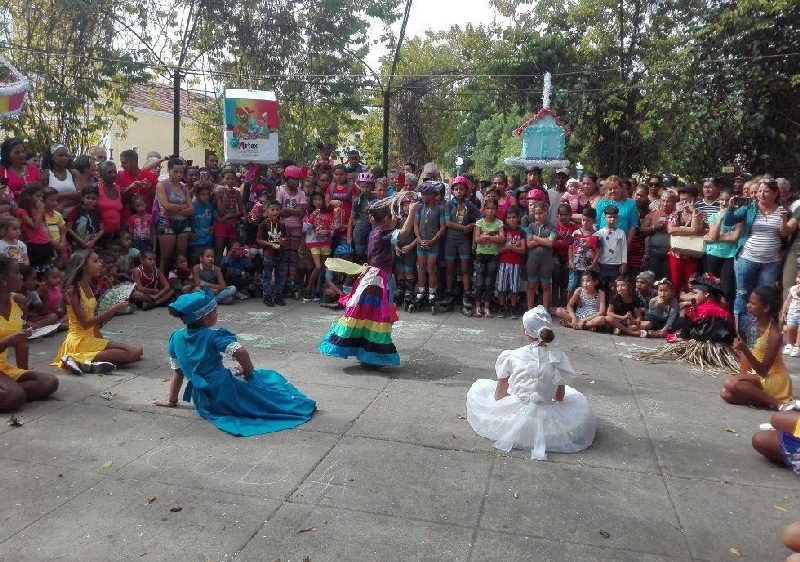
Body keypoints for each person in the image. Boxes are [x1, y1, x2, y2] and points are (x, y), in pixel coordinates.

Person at [155, 289, 316, 436]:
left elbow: (178, 372)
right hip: (224, 393)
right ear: (206, 316)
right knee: (267, 384)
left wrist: (172, 401)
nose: (217, 314)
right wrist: (248, 371)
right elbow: (240, 352)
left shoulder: (175, 337)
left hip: (203, 401)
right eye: (215, 311)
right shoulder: (213, 336)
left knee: (249, 379)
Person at [465, 306, 596, 460]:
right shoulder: (558, 358)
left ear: (526, 332)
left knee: (479, 392)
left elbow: (499, 395)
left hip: (514, 412)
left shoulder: (511, 356)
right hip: (547, 417)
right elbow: (559, 397)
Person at [319, 199, 417, 366]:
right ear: (386, 219)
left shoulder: (375, 232)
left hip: (373, 277)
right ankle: (373, 355)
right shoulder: (383, 234)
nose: (395, 219)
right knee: (378, 316)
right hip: (378, 280)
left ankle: (366, 352)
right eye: (393, 216)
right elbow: (405, 232)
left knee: (367, 314)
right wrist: (413, 211)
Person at [51, 250, 143, 374]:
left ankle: (85, 361)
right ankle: (75, 358)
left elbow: (92, 320)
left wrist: (100, 339)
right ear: (83, 266)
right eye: (95, 261)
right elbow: (85, 323)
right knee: (131, 354)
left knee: (138, 351)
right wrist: (114, 309)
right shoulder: (73, 290)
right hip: (78, 341)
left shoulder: (88, 286)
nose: (100, 264)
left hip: (89, 338)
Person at [724, 178, 794, 325]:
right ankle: (740, 333)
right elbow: (728, 222)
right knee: (742, 294)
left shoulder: (784, 210)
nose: (761, 194)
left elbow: (784, 233)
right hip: (747, 258)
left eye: (766, 191)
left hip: (771, 262)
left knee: (764, 298)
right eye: (760, 191)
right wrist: (730, 208)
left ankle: (758, 333)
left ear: (775, 194)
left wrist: (783, 219)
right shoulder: (750, 208)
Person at [721, 286, 796, 410]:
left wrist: (744, 349)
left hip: (773, 378)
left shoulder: (774, 335)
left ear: (766, 308)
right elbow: (749, 356)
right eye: (748, 302)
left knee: (731, 383)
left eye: (752, 303)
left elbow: (763, 371)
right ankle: (763, 400)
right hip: (757, 375)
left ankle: (778, 403)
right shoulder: (752, 325)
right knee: (726, 394)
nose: (748, 306)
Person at [0, 258, 59, 412]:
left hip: (3, 368)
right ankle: (11, 393)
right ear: (3, 279)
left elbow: (21, 343)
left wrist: (24, 373)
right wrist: (10, 340)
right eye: (17, 273)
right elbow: (14, 339)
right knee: (14, 397)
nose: (21, 277)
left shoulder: (19, 301)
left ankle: (10, 391)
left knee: (49, 382)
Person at [444, 177, 479, 306]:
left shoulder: (470, 205)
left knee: (465, 269)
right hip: (450, 241)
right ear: (453, 191)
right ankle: (449, 293)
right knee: (450, 269)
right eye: (456, 189)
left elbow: (480, 218)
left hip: (464, 241)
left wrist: (472, 225)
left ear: (466, 191)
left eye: (462, 189)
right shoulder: (448, 205)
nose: (459, 191)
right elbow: (447, 223)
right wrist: (464, 227)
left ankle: (466, 294)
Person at [154, 158, 193, 272]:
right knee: (165, 257)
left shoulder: (184, 187)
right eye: (175, 171)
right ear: (169, 170)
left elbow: (191, 209)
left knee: (181, 255)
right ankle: (161, 281)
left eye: (181, 172)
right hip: (166, 223)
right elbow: (166, 205)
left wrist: (175, 208)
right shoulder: (162, 185)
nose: (179, 174)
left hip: (183, 223)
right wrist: (183, 207)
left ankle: (180, 280)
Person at [703, 190, 741, 303]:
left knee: (727, 289)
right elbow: (714, 235)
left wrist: (715, 236)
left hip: (729, 255)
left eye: (727, 200)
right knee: (710, 285)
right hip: (713, 254)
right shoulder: (713, 216)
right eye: (722, 200)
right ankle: (710, 312)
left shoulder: (738, 216)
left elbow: (734, 238)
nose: (724, 203)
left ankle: (723, 315)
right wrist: (720, 218)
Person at [413, 181, 446, 308]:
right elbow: (416, 224)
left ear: (432, 195)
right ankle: (421, 290)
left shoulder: (440, 209)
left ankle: (432, 292)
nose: (422, 196)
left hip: (433, 244)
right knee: (421, 266)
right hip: (421, 243)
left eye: (425, 194)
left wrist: (433, 240)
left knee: (431, 267)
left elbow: (442, 228)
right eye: (421, 194)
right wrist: (419, 239)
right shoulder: (420, 208)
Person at [276, 165, 308, 296]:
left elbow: (301, 212)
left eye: (298, 180)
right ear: (287, 179)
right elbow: (279, 211)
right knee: (283, 255)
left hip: (296, 228)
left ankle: (291, 283)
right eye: (294, 179)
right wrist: (293, 211)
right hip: (283, 227)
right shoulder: (280, 191)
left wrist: (287, 211)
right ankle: (282, 283)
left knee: (293, 256)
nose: (296, 182)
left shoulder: (302, 193)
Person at [473, 199, 504, 318]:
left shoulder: (499, 223)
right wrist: (494, 236)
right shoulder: (479, 223)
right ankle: (477, 307)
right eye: (488, 208)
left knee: (489, 282)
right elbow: (477, 239)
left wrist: (486, 235)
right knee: (479, 281)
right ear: (484, 210)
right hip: (481, 255)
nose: (490, 211)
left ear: (496, 210)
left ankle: (486, 307)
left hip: (493, 255)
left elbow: (502, 239)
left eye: (493, 209)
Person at [524, 202, 556, 311]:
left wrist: (536, 238)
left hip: (546, 262)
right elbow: (528, 244)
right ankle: (529, 310)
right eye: (536, 213)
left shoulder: (552, 227)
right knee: (531, 285)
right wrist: (544, 240)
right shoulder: (530, 226)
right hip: (532, 261)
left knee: (546, 286)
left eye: (541, 213)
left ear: (546, 213)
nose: (538, 215)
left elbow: (551, 243)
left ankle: (545, 311)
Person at [302, 192, 333, 302]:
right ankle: (308, 289)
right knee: (318, 266)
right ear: (311, 201)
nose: (317, 202)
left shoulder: (328, 213)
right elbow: (305, 229)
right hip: (313, 242)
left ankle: (318, 292)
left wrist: (327, 232)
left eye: (320, 199)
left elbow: (333, 228)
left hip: (325, 242)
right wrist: (311, 217)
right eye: (315, 199)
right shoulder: (308, 213)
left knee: (324, 268)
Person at [496, 209, 526, 319]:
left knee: (514, 287)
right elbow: (498, 249)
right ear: (505, 219)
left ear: (518, 218)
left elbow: (523, 250)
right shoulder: (503, 230)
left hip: (516, 263)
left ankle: (513, 307)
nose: (511, 220)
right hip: (503, 262)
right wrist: (510, 247)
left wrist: (510, 247)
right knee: (501, 286)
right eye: (509, 218)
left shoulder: (521, 232)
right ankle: (502, 306)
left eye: (513, 217)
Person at [258, 201, 287, 307]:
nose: (275, 212)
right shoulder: (263, 224)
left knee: (280, 276)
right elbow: (259, 240)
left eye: (277, 210)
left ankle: (278, 296)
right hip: (269, 254)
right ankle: (267, 296)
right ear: (267, 211)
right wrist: (270, 244)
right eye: (272, 210)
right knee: (267, 276)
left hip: (280, 253)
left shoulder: (282, 225)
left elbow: (285, 237)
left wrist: (283, 241)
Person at [16, 184, 52, 270]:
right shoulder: (22, 211)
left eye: (42, 197)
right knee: (37, 270)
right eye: (37, 196)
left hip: (45, 243)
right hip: (35, 245)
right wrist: (40, 211)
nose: (40, 199)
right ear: (28, 196)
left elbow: (44, 226)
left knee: (47, 269)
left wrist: (49, 239)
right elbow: (35, 226)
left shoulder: (38, 209)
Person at [117, 149, 158, 222]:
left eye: (124, 163)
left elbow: (158, 198)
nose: (122, 165)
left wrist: (149, 188)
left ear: (134, 162)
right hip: (127, 221)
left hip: (147, 221)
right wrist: (129, 188)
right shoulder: (120, 176)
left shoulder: (150, 176)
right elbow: (117, 199)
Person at [567, 206, 599, 295]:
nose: (585, 223)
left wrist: (594, 264)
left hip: (588, 267)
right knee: (572, 286)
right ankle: (568, 305)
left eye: (588, 221)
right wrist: (570, 261)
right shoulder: (575, 233)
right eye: (584, 220)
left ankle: (581, 307)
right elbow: (570, 247)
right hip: (575, 266)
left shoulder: (597, 235)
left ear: (594, 221)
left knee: (585, 288)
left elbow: (599, 251)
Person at [596, 205, 627, 288]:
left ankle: (612, 301)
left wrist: (624, 263)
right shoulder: (599, 233)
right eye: (610, 217)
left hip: (616, 265)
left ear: (618, 218)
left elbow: (624, 249)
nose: (612, 219)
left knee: (614, 287)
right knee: (602, 287)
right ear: (605, 217)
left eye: (614, 217)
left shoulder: (621, 233)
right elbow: (595, 248)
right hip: (602, 264)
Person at [348, 171, 375, 263]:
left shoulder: (376, 198)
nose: (365, 189)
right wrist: (349, 237)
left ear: (372, 186)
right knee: (359, 254)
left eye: (367, 186)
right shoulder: (357, 200)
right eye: (363, 187)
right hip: (360, 230)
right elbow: (351, 218)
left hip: (373, 229)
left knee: (371, 253)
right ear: (359, 186)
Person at [95, 160, 124, 239]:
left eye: (115, 172)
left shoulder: (118, 189)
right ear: (102, 174)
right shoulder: (96, 189)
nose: (113, 175)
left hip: (115, 234)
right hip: (99, 236)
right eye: (109, 172)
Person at [782, 272, 800, 357]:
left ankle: (797, 346)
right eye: (798, 277)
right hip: (792, 314)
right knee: (789, 328)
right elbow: (787, 301)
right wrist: (784, 312)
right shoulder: (793, 288)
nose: (798, 280)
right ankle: (790, 344)